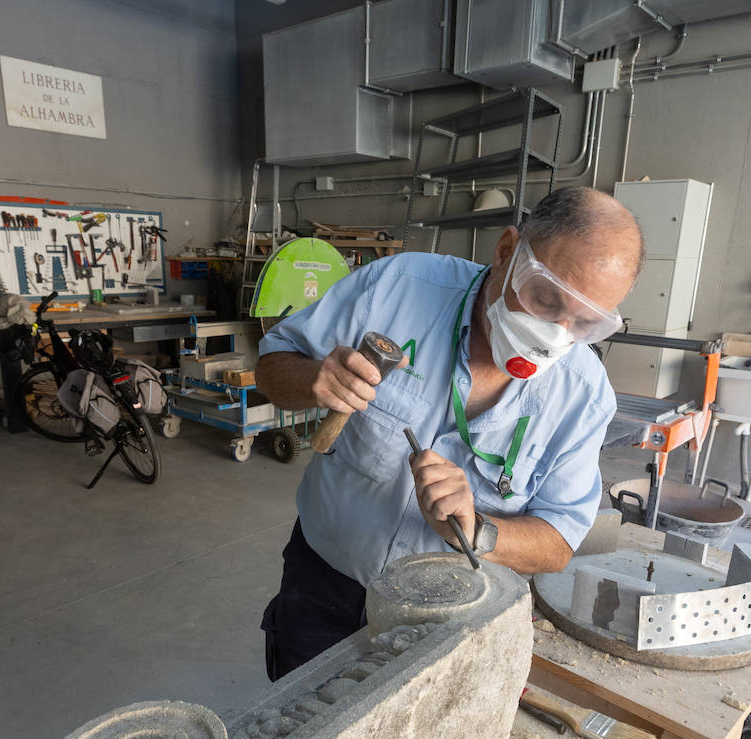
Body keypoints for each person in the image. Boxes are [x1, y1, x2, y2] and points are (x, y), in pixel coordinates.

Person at [255, 186, 644, 680]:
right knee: (299, 736)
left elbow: (557, 543)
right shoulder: (397, 288)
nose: (556, 334)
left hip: (451, 621)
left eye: (585, 323)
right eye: (545, 298)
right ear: (507, 252)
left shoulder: (583, 397)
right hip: (323, 588)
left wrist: (478, 531)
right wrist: (312, 379)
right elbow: (271, 367)